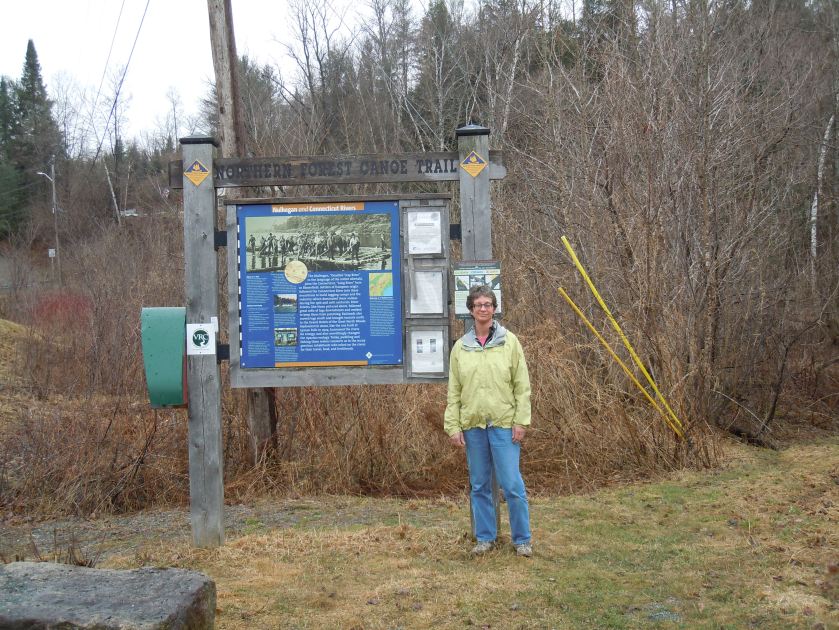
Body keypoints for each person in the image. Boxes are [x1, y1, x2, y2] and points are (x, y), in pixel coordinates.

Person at [444, 285, 533, 557]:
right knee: (480, 485)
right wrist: (453, 426)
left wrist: (521, 421)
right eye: (478, 304)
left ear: (494, 309)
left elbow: (522, 385)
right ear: (470, 310)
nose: (483, 309)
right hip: (473, 426)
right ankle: (485, 538)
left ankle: (522, 541)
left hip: (504, 424)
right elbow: (454, 390)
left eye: (488, 304)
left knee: (512, 485)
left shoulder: (510, 342)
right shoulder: (461, 347)